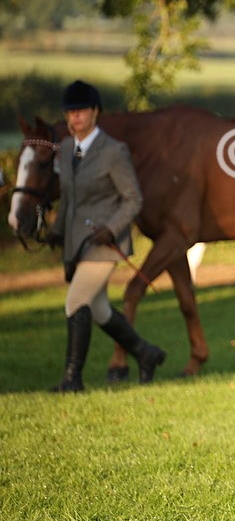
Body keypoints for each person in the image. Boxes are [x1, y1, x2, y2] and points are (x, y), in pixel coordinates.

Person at [46, 80, 166, 391]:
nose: (75, 118)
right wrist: (54, 233)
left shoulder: (114, 151)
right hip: (77, 243)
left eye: (81, 111)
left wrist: (111, 228)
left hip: (106, 244)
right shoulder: (68, 149)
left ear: (96, 112)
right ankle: (146, 353)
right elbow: (69, 200)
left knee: (75, 302)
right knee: (99, 310)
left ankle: (72, 380)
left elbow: (133, 199)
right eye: (70, 113)